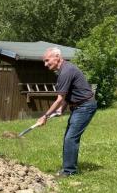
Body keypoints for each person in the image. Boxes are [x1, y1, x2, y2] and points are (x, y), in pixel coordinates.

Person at [34, 47, 97, 177]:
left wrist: (45, 116)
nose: (45, 64)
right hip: (78, 106)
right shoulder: (64, 69)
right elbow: (69, 93)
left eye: (47, 60)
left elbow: (59, 99)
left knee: (71, 138)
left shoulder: (66, 72)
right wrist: (62, 108)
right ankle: (67, 169)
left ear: (57, 57)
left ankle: (69, 171)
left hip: (85, 107)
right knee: (69, 137)